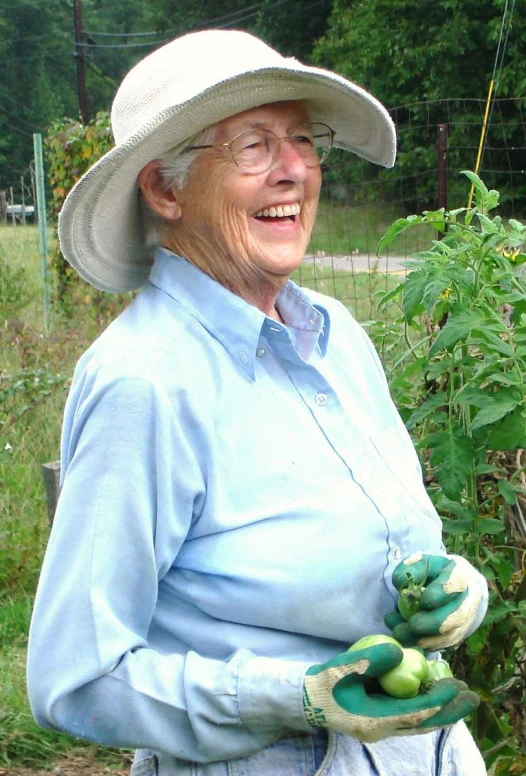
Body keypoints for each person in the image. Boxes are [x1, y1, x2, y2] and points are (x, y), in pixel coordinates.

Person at [27, 28, 489, 776]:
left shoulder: (335, 336)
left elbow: (398, 551)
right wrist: (296, 696)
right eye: (253, 145)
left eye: (303, 138)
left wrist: (453, 590)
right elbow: (74, 677)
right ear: (166, 189)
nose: (296, 170)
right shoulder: (144, 382)